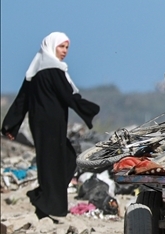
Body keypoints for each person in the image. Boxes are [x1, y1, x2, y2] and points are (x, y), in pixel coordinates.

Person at [2, 32, 100, 219]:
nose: (64, 51)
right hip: (50, 123)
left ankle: (44, 199)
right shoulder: (53, 69)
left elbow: (22, 99)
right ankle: (51, 206)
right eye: (61, 47)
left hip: (41, 123)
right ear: (50, 46)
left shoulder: (36, 69)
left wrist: (10, 126)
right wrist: (89, 109)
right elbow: (67, 95)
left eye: (67, 47)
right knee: (58, 162)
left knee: (56, 161)